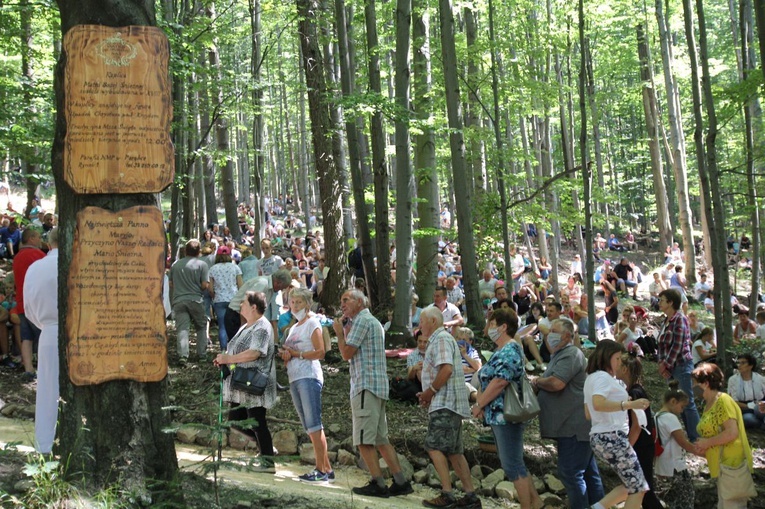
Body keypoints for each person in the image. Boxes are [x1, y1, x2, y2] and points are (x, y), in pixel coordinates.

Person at [333, 290, 413, 498]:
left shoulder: (362, 321)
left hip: (365, 385)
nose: (342, 305)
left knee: (363, 440)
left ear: (359, 302)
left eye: (345, 300)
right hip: (378, 386)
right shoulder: (373, 321)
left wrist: (339, 333)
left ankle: (378, 484)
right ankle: (401, 482)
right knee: (380, 439)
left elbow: (346, 354)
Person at [471, 308, 542, 509]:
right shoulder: (502, 349)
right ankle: (536, 502)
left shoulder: (510, 349)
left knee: (512, 465)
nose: (489, 328)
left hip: (507, 416)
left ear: (503, 327)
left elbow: (500, 382)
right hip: (498, 415)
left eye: (493, 324)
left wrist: (479, 404)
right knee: (514, 461)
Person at [534, 319, 604, 509]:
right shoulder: (561, 354)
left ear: (567, 335)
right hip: (572, 425)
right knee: (588, 473)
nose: (549, 335)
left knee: (570, 472)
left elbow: (557, 383)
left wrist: (538, 382)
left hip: (574, 427)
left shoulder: (571, 354)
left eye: (554, 331)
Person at [416, 308, 480, 509]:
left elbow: (447, 368)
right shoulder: (441, 339)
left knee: (434, 446)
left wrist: (430, 391)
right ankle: (471, 497)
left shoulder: (441, 338)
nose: (420, 326)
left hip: (445, 402)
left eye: (422, 322)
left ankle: (447, 494)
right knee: (454, 451)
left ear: (433, 320)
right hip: (446, 402)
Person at [213, 291, 277, 472]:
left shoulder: (262, 327)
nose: (240, 305)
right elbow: (235, 351)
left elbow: (255, 352)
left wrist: (229, 360)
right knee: (235, 421)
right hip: (241, 382)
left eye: (243, 303)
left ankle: (268, 462)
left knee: (257, 420)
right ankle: (266, 448)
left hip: (254, 383)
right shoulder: (247, 326)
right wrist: (223, 359)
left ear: (253, 307)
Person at [583, 340, 649, 509]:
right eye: (618, 358)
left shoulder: (591, 379)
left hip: (601, 436)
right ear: (607, 357)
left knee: (632, 485)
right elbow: (597, 404)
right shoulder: (603, 378)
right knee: (638, 487)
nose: (620, 363)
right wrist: (627, 405)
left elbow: (588, 413)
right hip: (611, 436)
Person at [278, 288, 334, 482]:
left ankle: (321, 470)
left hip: (308, 376)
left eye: (298, 302)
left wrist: (297, 354)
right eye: (292, 302)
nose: (295, 306)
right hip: (294, 376)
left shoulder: (312, 322)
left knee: (314, 424)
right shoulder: (293, 327)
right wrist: (286, 355)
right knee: (309, 426)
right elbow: (290, 354)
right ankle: (326, 467)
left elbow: (320, 352)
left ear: (307, 303)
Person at [693, 363, 754, 508]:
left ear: (706, 384)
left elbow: (732, 433)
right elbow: (716, 434)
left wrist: (707, 443)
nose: (692, 387)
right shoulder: (709, 404)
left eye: (695, 383)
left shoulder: (723, 400)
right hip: (721, 467)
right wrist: (704, 448)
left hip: (732, 466)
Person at [23, 228, 58, 453]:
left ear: (48, 243)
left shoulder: (36, 268)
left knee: (48, 391)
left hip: (48, 333)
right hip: (80, 334)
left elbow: (28, 308)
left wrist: (44, 324)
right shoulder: (82, 265)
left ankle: (45, 445)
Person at [617, 354, 661, 509]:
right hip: (642, 446)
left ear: (625, 369)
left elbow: (637, 426)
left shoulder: (635, 393)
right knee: (643, 492)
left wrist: (627, 449)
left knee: (645, 493)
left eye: (618, 362)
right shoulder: (633, 390)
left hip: (641, 447)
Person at [656, 289, 700, 441]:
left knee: (687, 402)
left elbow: (678, 345)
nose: (659, 302)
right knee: (677, 403)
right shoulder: (666, 321)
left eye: (662, 300)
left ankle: (697, 438)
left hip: (681, 365)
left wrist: (665, 364)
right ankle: (690, 436)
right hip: (670, 367)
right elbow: (661, 345)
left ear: (670, 302)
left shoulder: (680, 319)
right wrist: (662, 364)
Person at [654, 381, 696, 509]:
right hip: (675, 466)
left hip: (662, 465)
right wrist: (704, 454)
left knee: (671, 500)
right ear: (673, 401)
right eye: (681, 406)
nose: (682, 410)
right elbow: (683, 442)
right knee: (685, 499)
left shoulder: (657, 416)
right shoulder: (670, 418)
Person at [169, 239, 210, 365]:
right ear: (198, 251)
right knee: (201, 326)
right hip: (196, 299)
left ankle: (183, 356)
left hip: (179, 300)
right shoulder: (202, 265)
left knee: (182, 328)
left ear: (185, 250)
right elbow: (204, 285)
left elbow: (171, 284)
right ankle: (202, 355)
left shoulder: (175, 265)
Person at [13, 227, 45, 380]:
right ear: (31, 238)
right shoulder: (37, 255)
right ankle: (44, 368)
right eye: (38, 237)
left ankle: (28, 369)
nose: (40, 240)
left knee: (27, 337)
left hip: (21, 302)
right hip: (37, 303)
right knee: (42, 336)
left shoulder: (17, 256)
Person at [208, 246, 243, 351]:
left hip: (219, 300)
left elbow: (210, 288)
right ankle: (234, 348)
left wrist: (214, 296)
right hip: (233, 299)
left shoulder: (213, 269)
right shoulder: (235, 267)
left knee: (222, 326)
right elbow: (241, 285)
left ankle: (223, 350)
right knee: (234, 325)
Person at [727, 354, 765, 430]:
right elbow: (732, 401)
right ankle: (762, 424)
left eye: (743, 363)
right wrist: (749, 406)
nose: (739, 365)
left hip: (760, 406)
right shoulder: (733, 380)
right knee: (747, 419)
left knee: (758, 409)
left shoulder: (760, 379)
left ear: (751, 366)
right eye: (738, 363)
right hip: (743, 408)